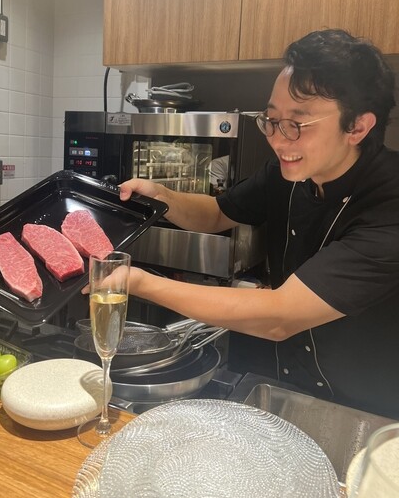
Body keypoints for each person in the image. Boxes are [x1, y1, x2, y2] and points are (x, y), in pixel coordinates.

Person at [117, 29, 399, 419]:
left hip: (370, 413)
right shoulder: (288, 173)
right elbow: (218, 213)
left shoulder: (390, 201)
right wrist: (161, 196)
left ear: (357, 127)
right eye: (271, 120)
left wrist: (137, 282)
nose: (278, 140)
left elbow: (279, 316)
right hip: (290, 387)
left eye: (297, 124)